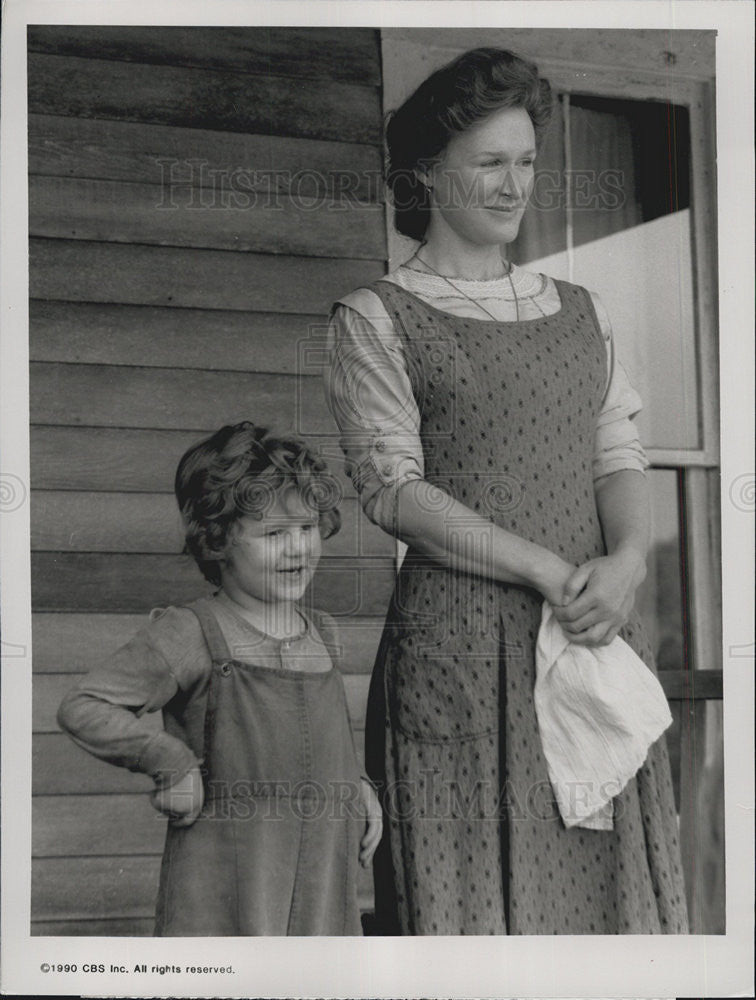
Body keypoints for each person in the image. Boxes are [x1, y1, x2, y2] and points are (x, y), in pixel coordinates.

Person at [324, 47, 688, 935]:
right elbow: (392, 488)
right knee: (471, 903)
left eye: (525, 161)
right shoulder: (377, 315)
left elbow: (616, 450)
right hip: (460, 650)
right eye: (488, 163)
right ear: (426, 175)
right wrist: (541, 569)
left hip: (587, 635)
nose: (513, 184)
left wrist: (630, 561)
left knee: (606, 901)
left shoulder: (582, 310)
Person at [57, 422, 382, 936]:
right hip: (229, 888)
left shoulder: (322, 632)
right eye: (274, 534)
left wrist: (358, 786)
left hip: (323, 881)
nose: (298, 548)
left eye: (307, 526)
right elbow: (86, 706)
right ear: (217, 541)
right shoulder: (190, 632)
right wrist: (172, 763)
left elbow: (324, 735)